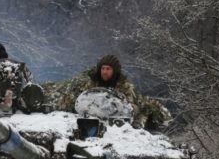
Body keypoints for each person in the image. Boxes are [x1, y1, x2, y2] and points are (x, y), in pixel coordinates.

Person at [42, 54, 172, 130]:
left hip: (113, 124)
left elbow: (131, 107)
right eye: (103, 68)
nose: (104, 72)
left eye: (108, 69)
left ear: (114, 71)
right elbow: (74, 99)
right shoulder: (89, 83)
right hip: (88, 120)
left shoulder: (125, 87)